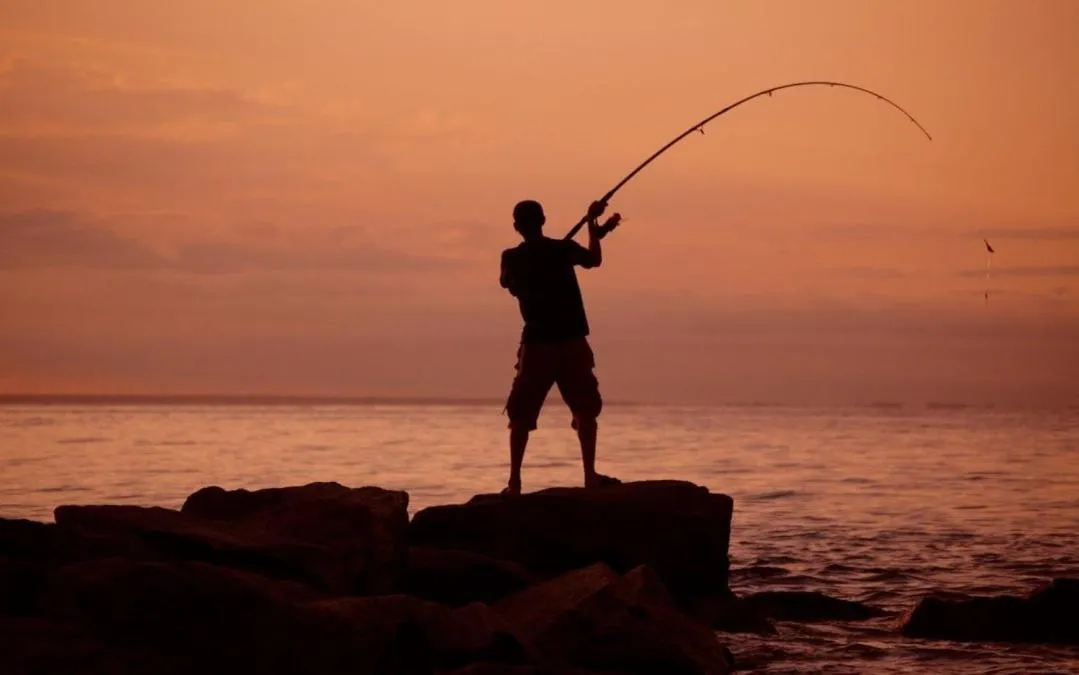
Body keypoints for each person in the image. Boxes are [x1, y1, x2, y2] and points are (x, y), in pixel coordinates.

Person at [498, 198, 621, 495]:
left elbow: (507, 284)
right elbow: (594, 259)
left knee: (520, 416)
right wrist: (591, 224)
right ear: (543, 220)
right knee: (585, 410)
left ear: (517, 227)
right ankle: (590, 476)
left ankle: (514, 483)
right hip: (571, 342)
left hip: (538, 345)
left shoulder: (511, 257)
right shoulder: (562, 250)